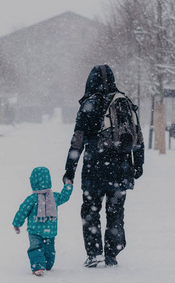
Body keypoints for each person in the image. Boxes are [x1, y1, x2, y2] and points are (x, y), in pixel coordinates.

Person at [63, 64, 144, 267]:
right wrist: (138, 164)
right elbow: (137, 136)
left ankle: (94, 252)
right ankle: (112, 253)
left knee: (90, 210)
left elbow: (77, 141)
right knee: (115, 211)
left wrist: (69, 171)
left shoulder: (88, 105)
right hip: (121, 168)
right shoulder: (124, 102)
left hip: (94, 168)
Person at [12, 166, 73, 276]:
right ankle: (47, 264)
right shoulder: (53, 197)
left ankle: (38, 267)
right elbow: (64, 196)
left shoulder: (32, 198)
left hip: (35, 230)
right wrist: (68, 186)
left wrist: (17, 224)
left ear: (33, 182)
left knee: (35, 248)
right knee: (49, 250)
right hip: (50, 230)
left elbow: (22, 211)